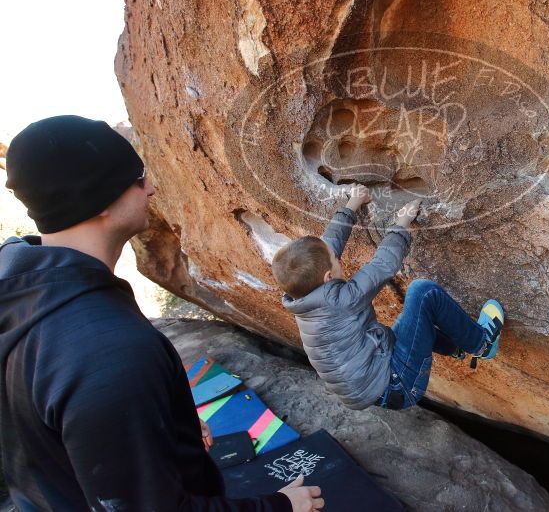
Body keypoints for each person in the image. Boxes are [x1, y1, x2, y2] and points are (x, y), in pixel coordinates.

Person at [0, 115, 323, 511]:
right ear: (98, 199)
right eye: (138, 179)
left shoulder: (25, 293)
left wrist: (170, 430)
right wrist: (281, 506)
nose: (150, 188)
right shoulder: (108, 352)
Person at [272, 185, 505, 411]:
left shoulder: (303, 298)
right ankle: (482, 343)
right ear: (327, 277)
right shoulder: (340, 302)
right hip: (398, 384)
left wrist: (352, 204)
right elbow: (383, 265)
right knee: (423, 293)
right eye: (336, 261)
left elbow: (326, 248)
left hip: (375, 384)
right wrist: (401, 223)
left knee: (408, 324)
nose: (338, 259)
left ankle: (454, 346)